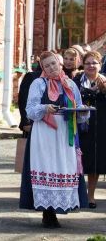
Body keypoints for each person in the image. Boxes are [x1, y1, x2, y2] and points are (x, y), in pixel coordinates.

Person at [20, 51, 89, 228]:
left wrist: (83, 110)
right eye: (47, 65)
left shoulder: (70, 84)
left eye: (54, 64)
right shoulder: (39, 83)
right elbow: (30, 110)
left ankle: (60, 206)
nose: (52, 67)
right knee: (46, 166)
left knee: (62, 167)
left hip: (65, 132)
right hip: (44, 133)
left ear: (60, 64)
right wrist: (45, 108)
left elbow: (79, 111)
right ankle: (47, 212)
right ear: (43, 68)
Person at [73, 51, 106, 209]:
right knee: (77, 161)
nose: (91, 66)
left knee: (95, 161)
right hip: (79, 126)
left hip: (99, 127)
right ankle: (76, 195)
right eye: (88, 63)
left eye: (95, 63)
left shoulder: (105, 81)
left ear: (100, 65)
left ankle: (90, 196)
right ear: (83, 65)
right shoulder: (76, 80)